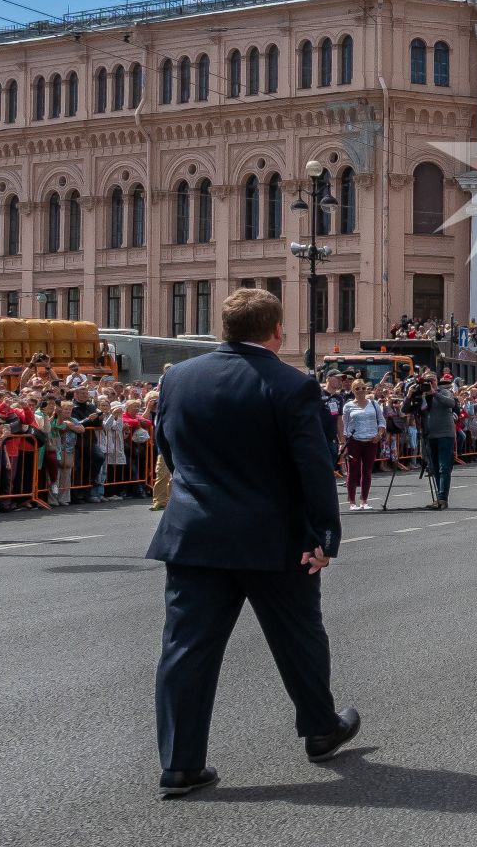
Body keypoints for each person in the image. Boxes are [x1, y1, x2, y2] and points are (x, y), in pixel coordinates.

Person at [146, 289, 358, 801]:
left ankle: (180, 764)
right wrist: (324, 534)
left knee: (185, 649)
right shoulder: (291, 385)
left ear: (224, 326)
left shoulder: (178, 378)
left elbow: (166, 445)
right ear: (277, 331)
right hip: (274, 536)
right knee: (299, 637)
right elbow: (313, 467)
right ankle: (319, 728)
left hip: (195, 533)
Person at [339, 380, 384, 512]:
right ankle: (352, 502)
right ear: (353, 390)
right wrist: (344, 444)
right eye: (357, 388)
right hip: (354, 441)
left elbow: (381, 421)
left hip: (371, 441)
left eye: (363, 388)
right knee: (353, 471)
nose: (361, 390)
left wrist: (379, 434)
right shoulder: (348, 406)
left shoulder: (374, 404)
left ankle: (364, 500)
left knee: (367, 471)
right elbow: (344, 426)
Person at [420, 374, 459, 511]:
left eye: (432, 380)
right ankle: (439, 497)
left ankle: (442, 498)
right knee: (434, 468)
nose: (430, 383)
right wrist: (410, 395)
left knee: (444, 467)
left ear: (437, 382)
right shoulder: (421, 395)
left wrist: (434, 393)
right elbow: (405, 410)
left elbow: (452, 403)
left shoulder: (444, 391)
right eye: (427, 381)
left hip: (445, 434)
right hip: (429, 435)